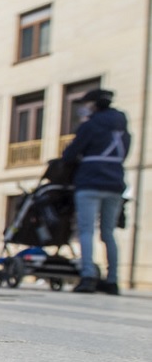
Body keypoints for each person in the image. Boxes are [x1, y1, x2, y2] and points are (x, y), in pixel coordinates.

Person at [61, 89, 130, 294]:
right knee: (108, 232)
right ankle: (112, 280)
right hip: (115, 183)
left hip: (90, 182)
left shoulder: (90, 125)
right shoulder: (122, 128)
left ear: (94, 104)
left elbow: (70, 154)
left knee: (86, 230)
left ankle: (88, 276)